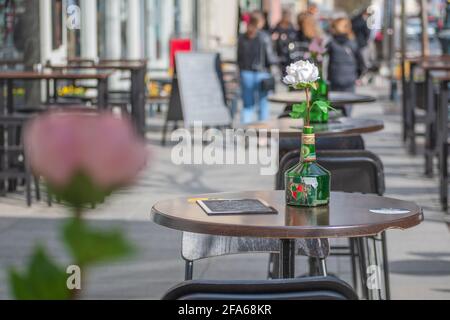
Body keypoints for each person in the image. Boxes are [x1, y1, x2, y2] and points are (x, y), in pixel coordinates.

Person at [237, 11, 277, 124]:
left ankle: (245, 131)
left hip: (246, 73)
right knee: (263, 104)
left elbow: (239, 58)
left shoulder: (242, 37)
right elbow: (270, 57)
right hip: (262, 73)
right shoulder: (264, 36)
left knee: (247, 105)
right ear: (260, 22)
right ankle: (263, 135)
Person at [327, 17, 365, 116]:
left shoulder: (331, 44)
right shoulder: (353, 43)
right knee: (348, 108)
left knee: (334, 108)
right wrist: (358, 76)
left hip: (334, 80)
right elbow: (361, 63)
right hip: (349, 80)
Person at [272, 9, 297, 75]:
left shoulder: (291, 25)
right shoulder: (279, 24)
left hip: (289, 47)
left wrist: (288, 37)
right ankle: (283, 74)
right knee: (282, 63)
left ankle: (286, 74)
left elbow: (294, 35)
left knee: (288, 62)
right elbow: (272, 32)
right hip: (280, 47)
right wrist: (276, 36)